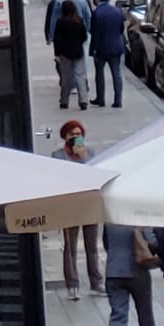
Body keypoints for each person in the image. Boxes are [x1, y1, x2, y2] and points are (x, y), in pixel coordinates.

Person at [102, 223, 161, 326]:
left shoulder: (110, 217)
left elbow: (106, 243)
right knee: (146, 318)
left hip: (113, 271)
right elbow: (152, 242)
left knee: (118, 317)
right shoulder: (137, 215)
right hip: (138, 272)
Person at [57, 121, 104, 302]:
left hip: (89, 204)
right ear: (65, 137)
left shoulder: (90, 153)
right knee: (70, 247)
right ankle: (72, 284)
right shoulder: (58, 155)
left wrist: (83, 157)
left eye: (78, 134)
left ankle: (96, 283)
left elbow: (94, 175)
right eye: (71, 134)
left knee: (91, 247)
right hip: (69, 206)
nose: (75, 137)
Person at [48, 0, 91, 110]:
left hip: (65, 53)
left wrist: (57, 53)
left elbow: (57, 39)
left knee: (66, 78)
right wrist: (79, 42)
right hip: (78, 52)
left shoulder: (60, 22)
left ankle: (64, 100)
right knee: (80, 76)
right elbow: (84, 36)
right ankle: (83, 100)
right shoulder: (79, 21)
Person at [89, 0, 126, 108]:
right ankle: (118, 100)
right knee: (116, 73)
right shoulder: (117, 11)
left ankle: (101, 98)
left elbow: (94, 33)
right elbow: (121, 28)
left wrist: (93, 50)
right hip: (116, 46)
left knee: (99, 73)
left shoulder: (97, 13)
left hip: (101, 48)